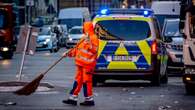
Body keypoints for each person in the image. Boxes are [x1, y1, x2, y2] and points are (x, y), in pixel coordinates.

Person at [62, 21, 99, 106]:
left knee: (87, 82)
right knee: (77, 81)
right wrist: (68, 53)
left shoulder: (93, 38)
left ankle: (89, 100)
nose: (83, 29)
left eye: (84, 27)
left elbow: (95, 50)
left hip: (88, 65)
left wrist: (89, 43)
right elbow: (77, 49)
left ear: (87, 28)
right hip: (80, 64)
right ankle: (73, 98)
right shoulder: (84, 38)